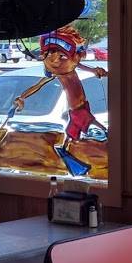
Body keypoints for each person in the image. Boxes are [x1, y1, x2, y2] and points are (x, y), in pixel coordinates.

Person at [12, 26, 107, 177]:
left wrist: (97, 71)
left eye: (62, 55)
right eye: (49, 55)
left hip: (82, 105)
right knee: (91, 122)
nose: (55, 60)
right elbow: (38, 85)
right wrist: (22, 97)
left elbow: (85, 67)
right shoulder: (58, 73)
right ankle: (105, 133)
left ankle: (63, 150)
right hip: (76, 108)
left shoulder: (73, 65)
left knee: (72, 133)